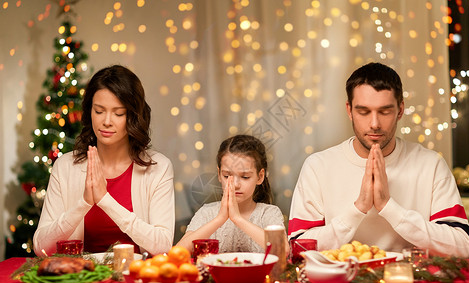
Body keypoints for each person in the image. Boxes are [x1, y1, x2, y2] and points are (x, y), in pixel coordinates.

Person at [288, 62, 469, 258]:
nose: (374, 124)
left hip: (410, 281)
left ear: (400, 110)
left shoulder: (431, 164)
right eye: (363, 112)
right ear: (349, 110)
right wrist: (358, 209)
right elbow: (297, 248)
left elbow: (462, 247)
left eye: (385, 111)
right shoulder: (318, 166)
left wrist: (389, 208)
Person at [33, 65, 175, 256]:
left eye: (118, 113)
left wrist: (105, 200)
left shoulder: (158, 167)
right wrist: (83, 203)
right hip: (83, 279)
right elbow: (41, 248)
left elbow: (163, 246)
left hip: (136, 279)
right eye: (99, 111)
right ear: (89, 111)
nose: (107, 121)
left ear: (133, 116)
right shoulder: (65, 167)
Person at [177, 134, 285, 253]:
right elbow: (178, 252)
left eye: (245, 177)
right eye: (227, 176)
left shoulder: (268, 213)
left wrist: (237, 219)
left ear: (260, 177)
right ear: (219, 174)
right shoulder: (207, 213)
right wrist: (220, 219)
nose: (235, 184)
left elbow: (283, 250)